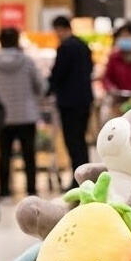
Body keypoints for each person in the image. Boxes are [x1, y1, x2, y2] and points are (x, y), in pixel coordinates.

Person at [0, 27, 43, 197]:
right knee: (29, 154)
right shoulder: (27, 61)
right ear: (17, 40)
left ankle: (4, 190)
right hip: (26, 114)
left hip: (3, 117)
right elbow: (40, 86)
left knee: (4, 154)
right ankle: (31, 188)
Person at [49, 15, 93, 179]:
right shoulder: (83, 45)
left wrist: (49, 88)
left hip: (69, 102)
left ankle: (77, 178)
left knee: (72, 141)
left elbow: (58, 74)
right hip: (85, 99)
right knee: (81, 140)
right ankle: (86, 176)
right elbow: (90, 68)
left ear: (61, 29)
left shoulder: (65, 48)